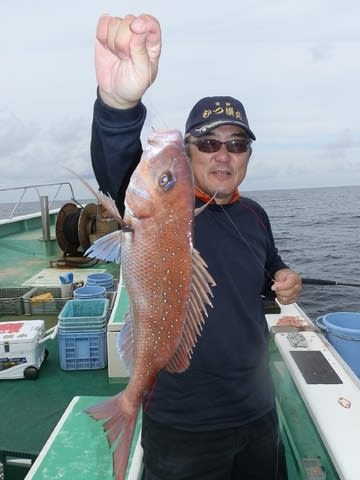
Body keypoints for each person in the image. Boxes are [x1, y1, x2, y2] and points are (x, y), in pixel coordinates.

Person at [90, 13, 302, 480]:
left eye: (237, 143)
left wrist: (284, 276)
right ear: (187, 153)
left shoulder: (255, 216)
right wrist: (118, 104)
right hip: (184, 424)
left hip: (257, 411)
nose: (222, 154)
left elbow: (268, 266)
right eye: (207, 143)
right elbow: (120, 164)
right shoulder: (159, 212)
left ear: (248, 154)